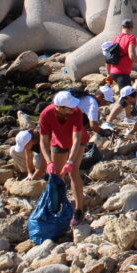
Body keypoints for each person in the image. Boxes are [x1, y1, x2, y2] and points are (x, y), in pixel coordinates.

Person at [39, 91, 87, 226]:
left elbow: (77, 138)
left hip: (78, 141)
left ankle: (79, 210)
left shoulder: (76, 112)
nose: (73, 109)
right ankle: (58, 206)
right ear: (59, 107)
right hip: (58, 142)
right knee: (57, 175)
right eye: (69, 107)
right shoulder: (46, 114)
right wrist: (49, 162)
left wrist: (70, 161)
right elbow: (43, 141)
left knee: (73, 172)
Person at [107, 18, 137, 90]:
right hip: (123, 74)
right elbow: (132, 56)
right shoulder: (131, 38)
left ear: (121, 27)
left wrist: (108, 75)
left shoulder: (115, 39)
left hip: (112, 72)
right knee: (127, 99)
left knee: (125, 97)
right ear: (132, 28)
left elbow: (108, 58)